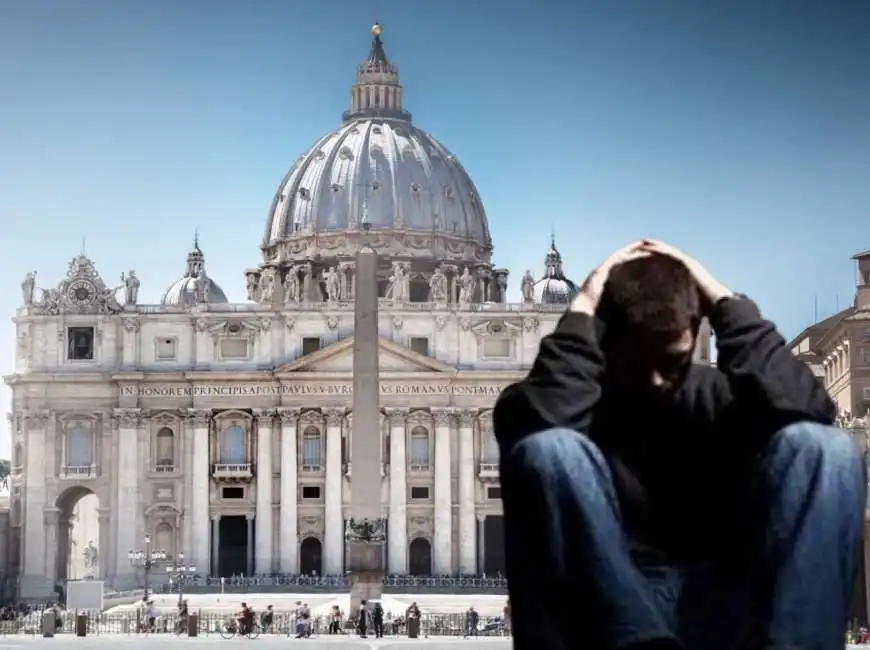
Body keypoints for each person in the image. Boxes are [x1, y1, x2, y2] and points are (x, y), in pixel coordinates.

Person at [495, 240, 867, 650]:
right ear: (603, 338)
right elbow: (529, 431)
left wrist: (726, 304)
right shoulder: (567, 401)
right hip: (602, 606)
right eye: (639, 358)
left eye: (670, 357)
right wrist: (584, 305)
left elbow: (813, 413)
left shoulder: (725, 398)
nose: (655, 378)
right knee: (546, 450)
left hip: (719, 600)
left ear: (694, 335)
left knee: (827, 449)